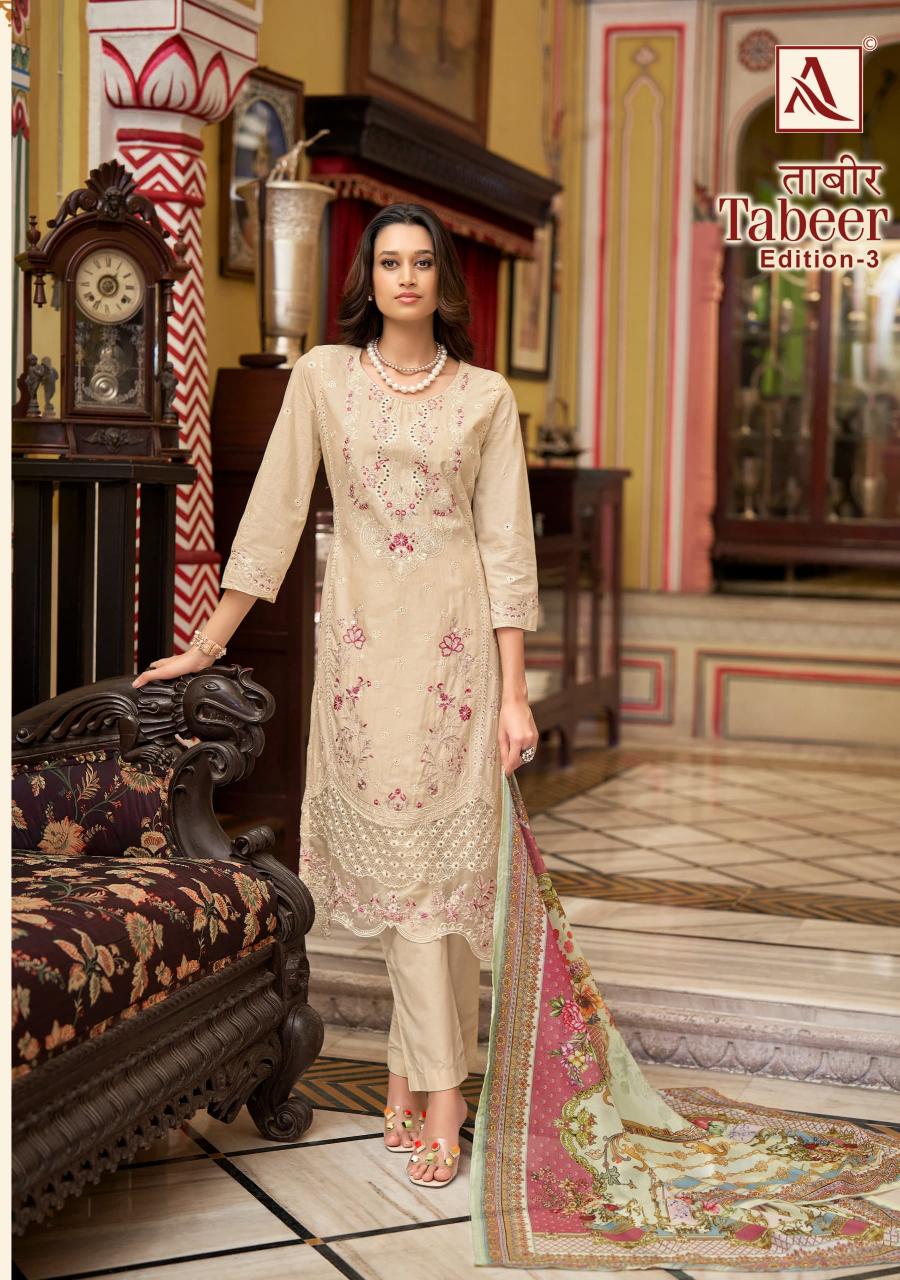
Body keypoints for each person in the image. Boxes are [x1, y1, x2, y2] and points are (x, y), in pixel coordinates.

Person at [132, 201, 540, 1189]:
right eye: (389, 262)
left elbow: (506, 549)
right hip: (363, 661)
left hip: (454, 661)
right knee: (412, 880)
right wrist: (207, 643)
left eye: (422, 262)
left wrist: (516, 693)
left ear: (444, 280)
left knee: (442, 886)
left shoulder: (485, 398)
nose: (406, 277)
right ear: (368, 279)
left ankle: (435, 1091)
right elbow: (272, 517)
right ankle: (422, 1074)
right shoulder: (323, 378)